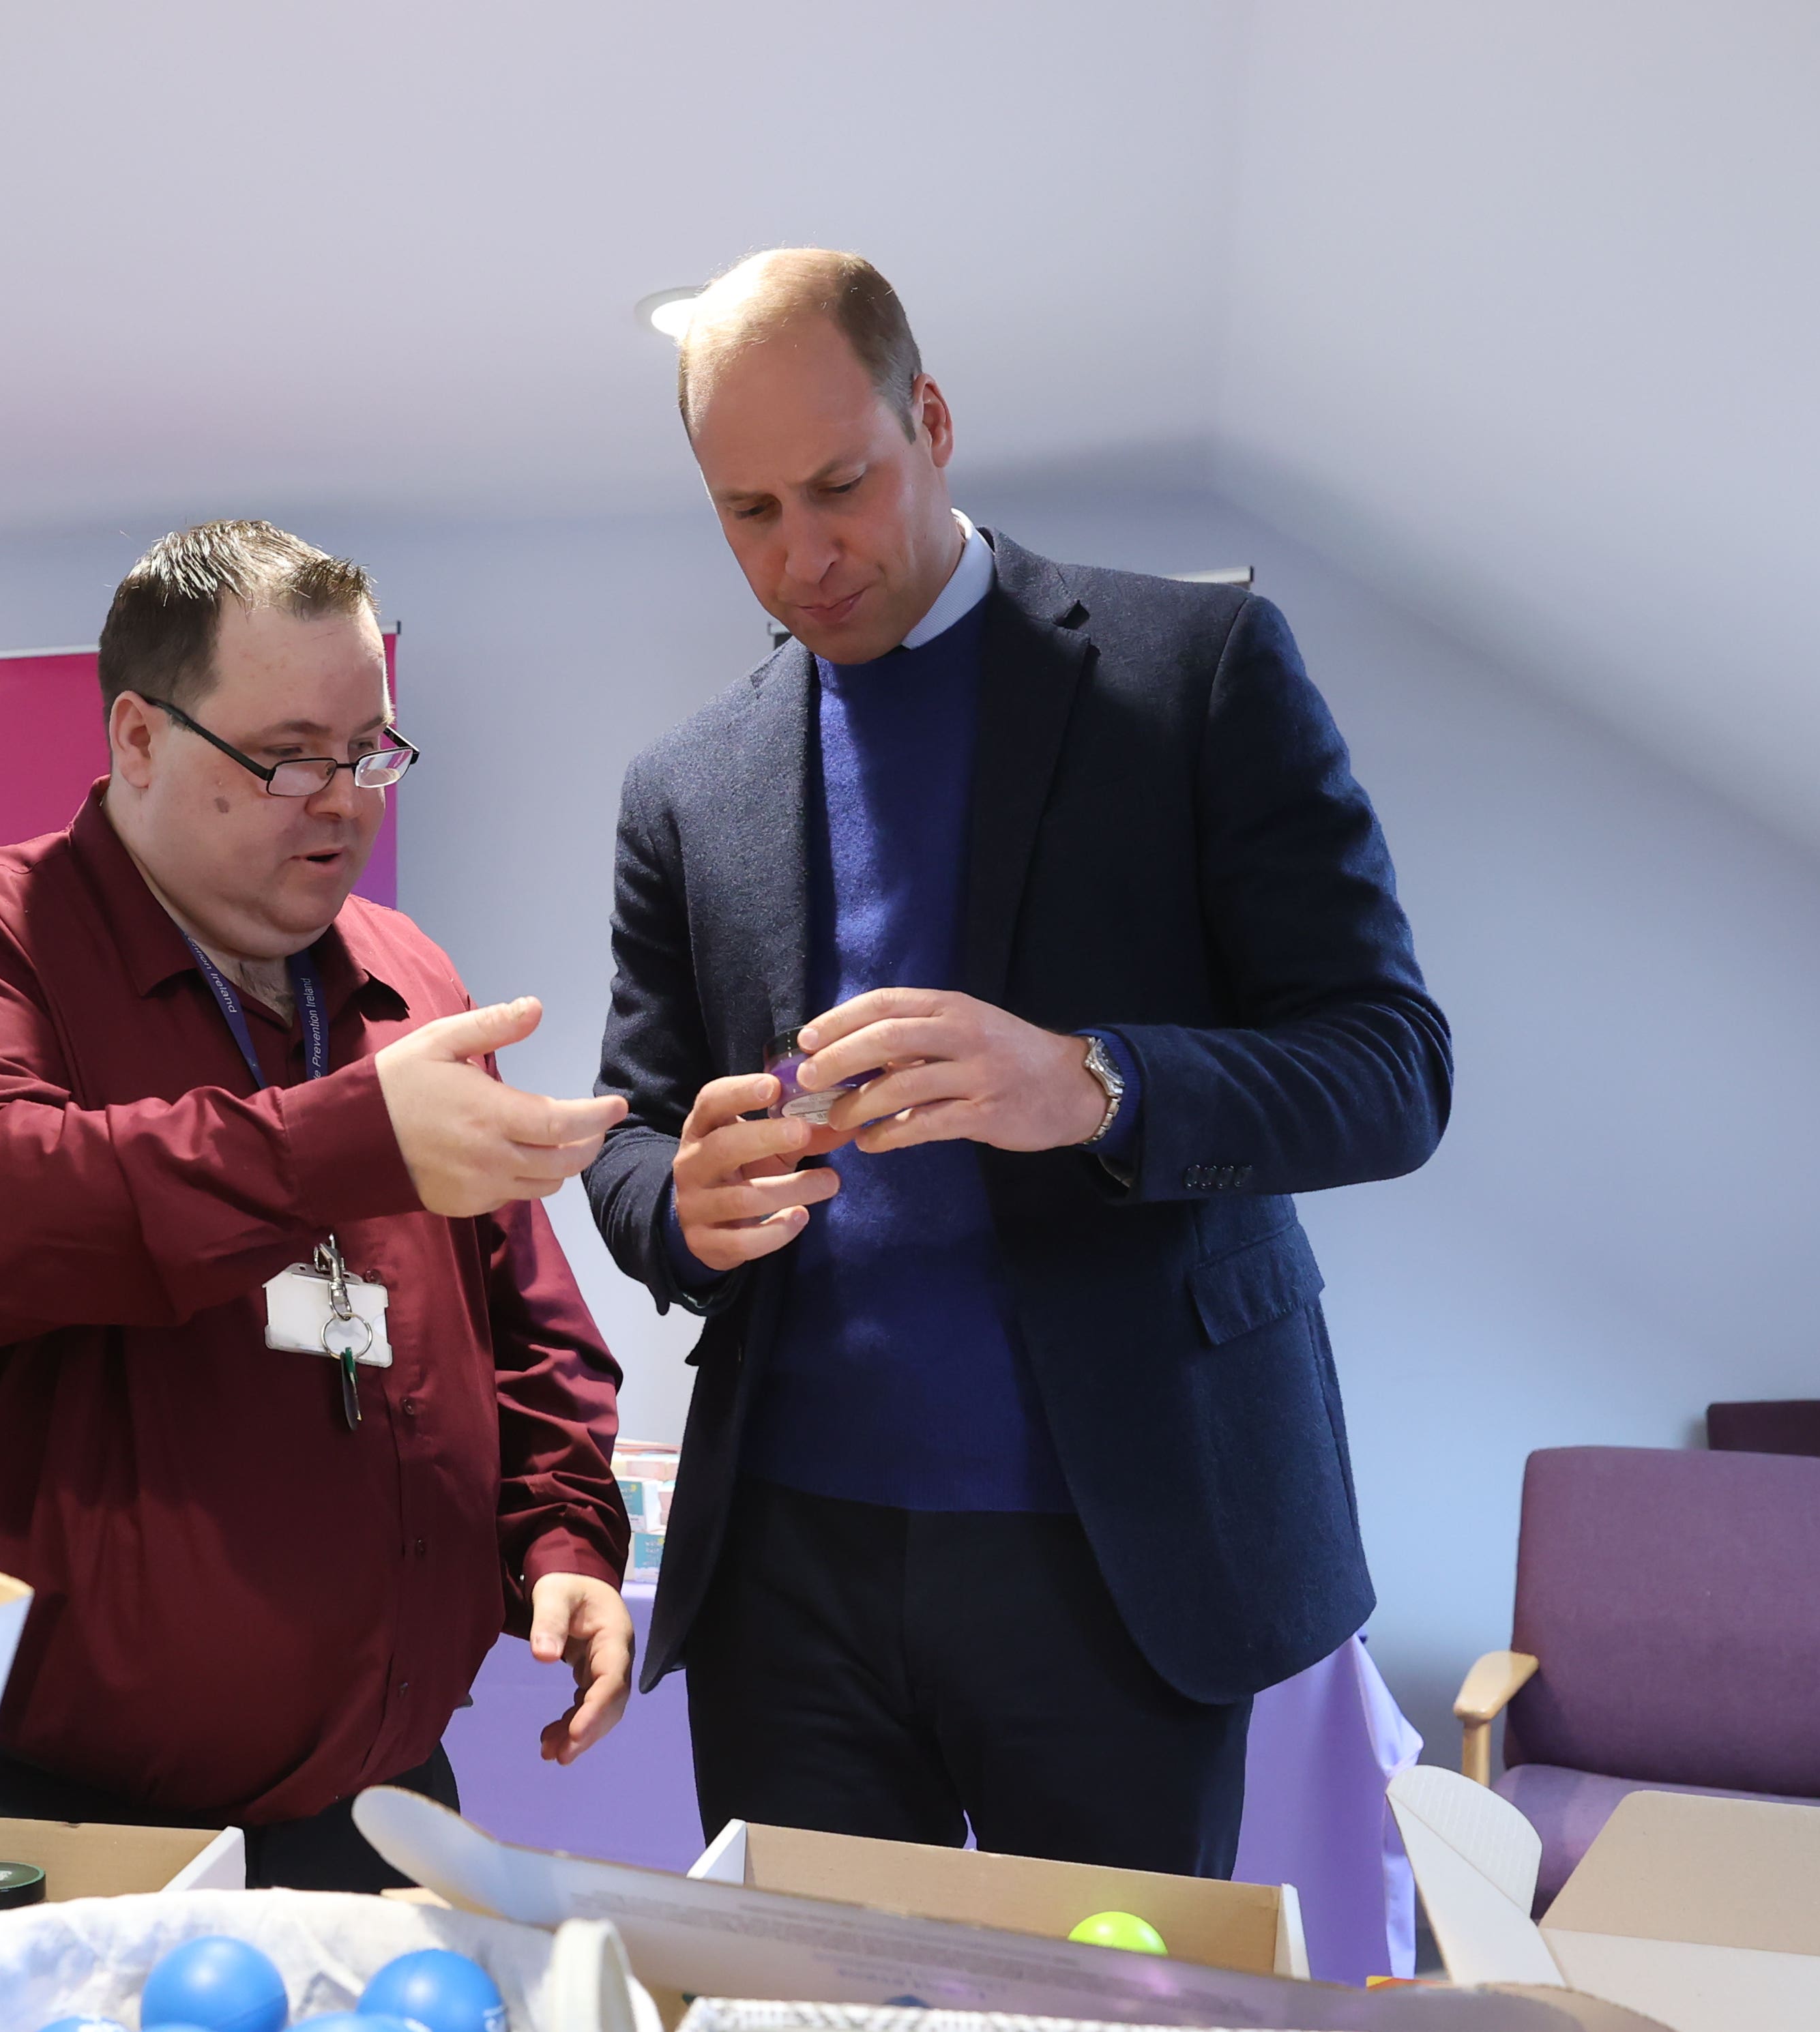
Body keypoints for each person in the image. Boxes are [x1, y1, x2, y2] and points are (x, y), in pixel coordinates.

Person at [587, 251, 1452, 1873]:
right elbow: (632, 1143)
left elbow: (1392, 1066)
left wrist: (1095, 1083)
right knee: (803, 2005)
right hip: (785, 1561)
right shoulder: (681, 784)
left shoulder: (1196, 671)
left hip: (1120, 1548)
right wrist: (678, 1203)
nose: (802, 554)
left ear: (931, 417)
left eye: (838, 484)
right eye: (746, 511)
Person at [0, 520, 635, 1891]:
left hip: (374, 1811)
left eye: (368, 749)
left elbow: (522, 1321)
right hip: (33, 1826)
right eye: (289, 753)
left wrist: (559, 1533)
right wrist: (341, 1140)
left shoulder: (405, 978)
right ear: (137, 737)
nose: (343, 798)